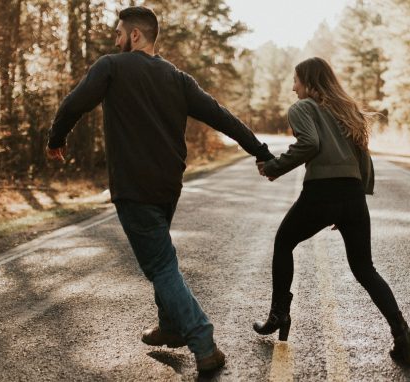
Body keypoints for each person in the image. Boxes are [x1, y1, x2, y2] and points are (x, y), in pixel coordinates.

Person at [46, 6, 274, 373]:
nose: (115, 40)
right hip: (168, 187)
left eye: (119, 33)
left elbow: (75, 102)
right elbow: (222, 117)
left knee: (160, 265)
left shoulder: (112, 67)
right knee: (162, 257)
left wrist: (56, 137)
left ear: (136, 35)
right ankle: (170, 327)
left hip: (133, 188)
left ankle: (203, 341)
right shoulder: (177, 78)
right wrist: (260, 152)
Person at [254, 57, 410, 366]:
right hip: (353, 196)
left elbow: (310, 144)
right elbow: (363, 157)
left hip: (322, 192)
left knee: (284, 243)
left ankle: (279, 315)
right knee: (364, 268)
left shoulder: (303, 108)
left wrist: (274, 167)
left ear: (309, 83)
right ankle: (402, 334)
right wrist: (353, 199)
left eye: (297, 82)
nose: (293, 88)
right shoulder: (347, 110)